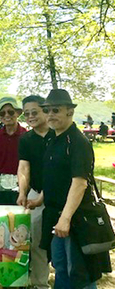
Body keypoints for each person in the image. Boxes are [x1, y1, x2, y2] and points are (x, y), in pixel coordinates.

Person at [39, 89, 111, 287]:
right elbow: (56, 176)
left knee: (80, 273)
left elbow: (79, 183)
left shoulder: (78, 142)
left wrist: (66, 218)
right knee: (61, 267)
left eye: (56, 110)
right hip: (56, 216)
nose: (50, 114)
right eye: (47, 110)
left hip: (75, 219)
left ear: (69, 112)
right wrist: (41, 198)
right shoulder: (53, 138)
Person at [15, 95, 54, 289]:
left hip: (61, 194)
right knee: (36, 240)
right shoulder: (26, 139)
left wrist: (43, 196)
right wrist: (23, 192)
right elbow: (23, 168)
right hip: (35, 193)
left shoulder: (58, 135)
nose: (31, 116)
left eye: (35, 112)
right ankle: (39, 283)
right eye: (27, 113)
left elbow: (60, 174)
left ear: (45, 110)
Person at [0, 97, 26, 205]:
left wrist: (25, 190)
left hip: (20, 184)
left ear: (17, 113)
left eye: (11, 112)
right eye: (2, 113)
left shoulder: (26, 136)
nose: (7, 115)